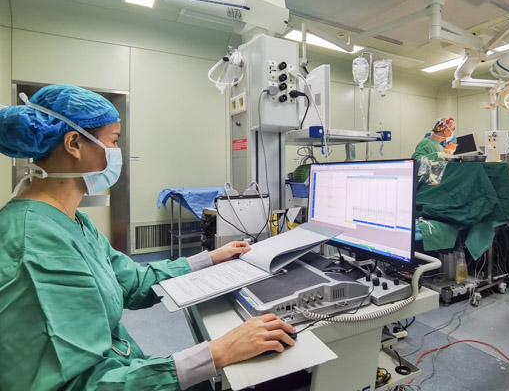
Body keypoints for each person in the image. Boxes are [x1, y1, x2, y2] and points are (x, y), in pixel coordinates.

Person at [0, 85, 295, 391]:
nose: (117, 153)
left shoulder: (73, 221)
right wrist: (216, 353)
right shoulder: (34, 246)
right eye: (114, 141)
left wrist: (209, 259)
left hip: (126, 369)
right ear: (74, 143)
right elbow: (78, 384)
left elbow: (132, 282)